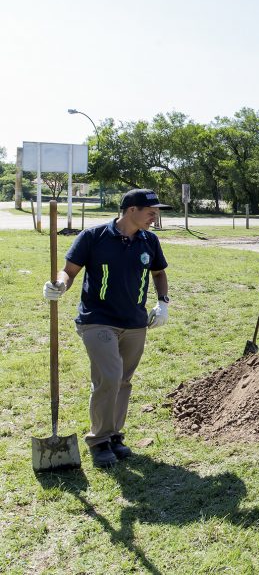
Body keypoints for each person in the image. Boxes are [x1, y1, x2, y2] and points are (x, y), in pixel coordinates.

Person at [42, 188, 171, 468]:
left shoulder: (149, 240)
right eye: (151, 212)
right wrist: (59, 285)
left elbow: (159, 273)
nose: (154, 217)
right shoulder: (93, 237)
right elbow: (70, 271)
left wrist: (163, 303)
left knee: (123, 381)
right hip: (97, 319)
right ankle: (98, 440)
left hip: (135, 322)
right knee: (109, 377)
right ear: (131, 210)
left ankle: (113, 435)